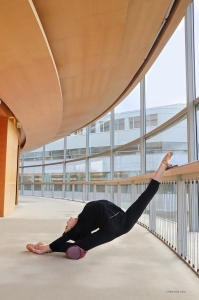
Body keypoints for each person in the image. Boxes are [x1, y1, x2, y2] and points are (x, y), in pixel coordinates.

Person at [26, 152, 174, 259]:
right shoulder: (81, 225)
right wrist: (47, 247)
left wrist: (48, 247)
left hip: (122, 222)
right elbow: (64, 240)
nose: (67, 222)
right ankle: (49, 249)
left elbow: (146, 196)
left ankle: (163, 165)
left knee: (145, 198)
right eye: (66, 227)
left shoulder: (86, 219)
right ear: (72, 230)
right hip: (116, 224)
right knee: (77, 246)